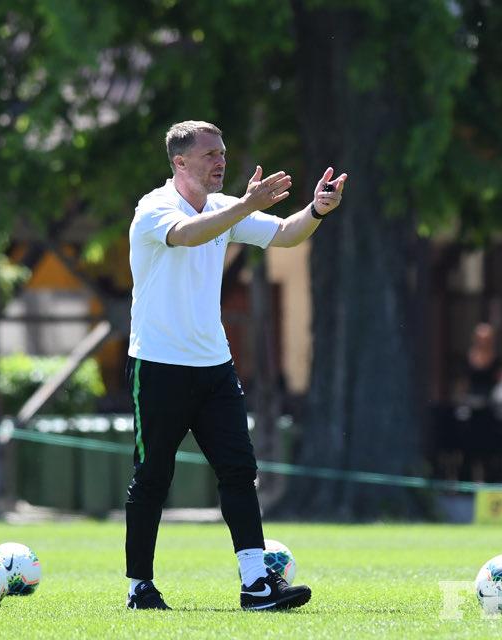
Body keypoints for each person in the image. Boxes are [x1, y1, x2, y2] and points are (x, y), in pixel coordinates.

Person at [124, 120, 347, 611]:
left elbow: (286, 234)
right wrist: (246, 205)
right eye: (210, 155)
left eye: (222, 153)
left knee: (239, 471)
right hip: (158, 365)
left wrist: (316, 209)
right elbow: (187, 235)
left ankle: (256, 585)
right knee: (153, 477)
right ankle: (140, 586)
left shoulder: (225, 208)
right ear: (180, 162)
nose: (220, 161)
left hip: (215, 368)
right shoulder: (154, 208)